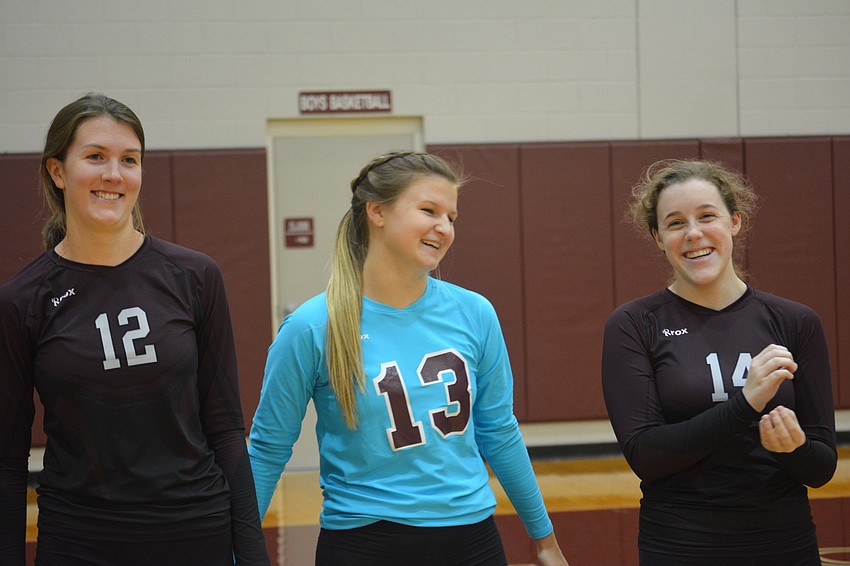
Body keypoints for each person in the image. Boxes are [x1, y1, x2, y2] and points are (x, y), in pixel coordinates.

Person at [248, 151, 569, 566]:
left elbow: (500, 430)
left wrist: (544, 537)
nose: (445, 228)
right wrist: (236, 548)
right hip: (363, 542)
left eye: (452, 217)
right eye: (429, 210)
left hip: (471, 539)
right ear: (377, 212)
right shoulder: (312, 327)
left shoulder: (475, 312)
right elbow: (269, 448)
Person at [0, 93, 270, 565]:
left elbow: (226, 429)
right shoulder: (23, 300)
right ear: (57, 172)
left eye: (130, 160)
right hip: (79, 540)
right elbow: (7, 457)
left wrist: (252, 555)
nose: (114, 174)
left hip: (194, 531)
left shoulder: (194, 276)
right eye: (95, 157)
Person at [601, 159, 837, 565]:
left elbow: (820, 469)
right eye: (675, 223)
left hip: (784, 542)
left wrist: (794, 448)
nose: (694, 234)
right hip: (679, 544)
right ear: (658, 238)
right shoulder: (634, 324)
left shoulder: (795, 322)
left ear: (735, 222)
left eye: (707, 216)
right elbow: (646, 457)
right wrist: (745, 404)